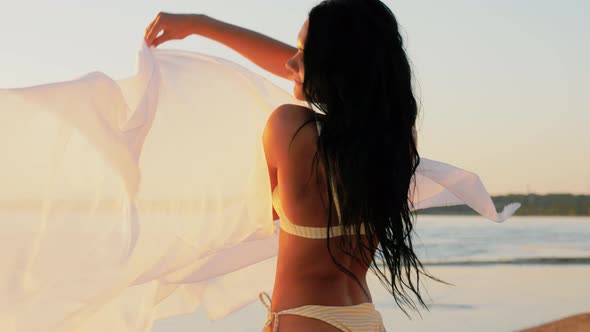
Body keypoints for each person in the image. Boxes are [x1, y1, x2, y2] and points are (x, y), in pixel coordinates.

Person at [145, 1, 435, 331]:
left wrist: (202, 25)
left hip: (304, 321)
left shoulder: (291, 129)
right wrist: (200, 23)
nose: (289, 62)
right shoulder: (396, 141)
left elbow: (263, 211)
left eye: (303, 52)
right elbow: (330, 73)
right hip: (363, 318)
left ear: (335, 66)